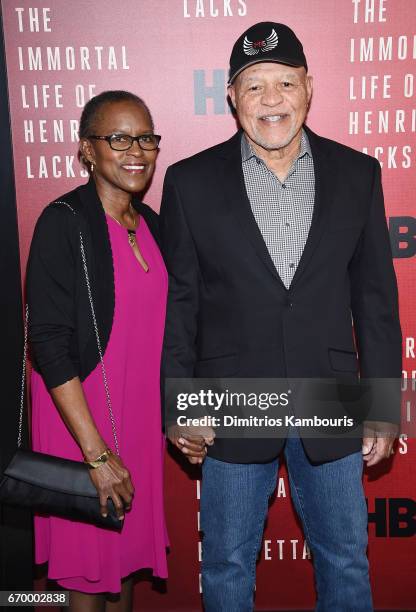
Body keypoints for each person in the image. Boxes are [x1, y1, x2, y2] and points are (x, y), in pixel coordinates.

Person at [160, 22, 402, 612]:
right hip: (232, 396)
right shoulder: (189, 182)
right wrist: (179, 407)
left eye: (285, 83)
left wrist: (382, 409)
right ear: (231, 98)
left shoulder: (358, 173)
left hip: (331, 392)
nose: (272, 101)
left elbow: (375, 300)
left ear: (309, 88)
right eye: (254, 86)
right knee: (225, 563)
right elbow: (181, 305)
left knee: (345, 559)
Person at [27, 90, 168, 611]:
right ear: (88, 149)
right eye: (119, 138)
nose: (137, 150)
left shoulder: (152, 224)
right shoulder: (64, 221)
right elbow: (48, 343)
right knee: (88, 575)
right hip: (80, 423)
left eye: (146, 138)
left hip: (136, 419)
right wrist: (96, 453)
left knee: (123, 565)